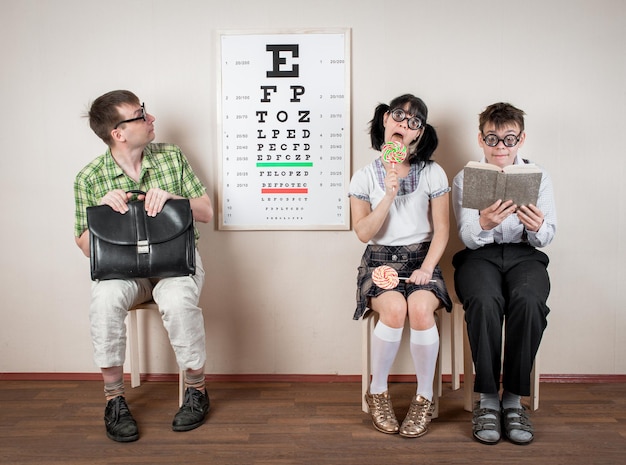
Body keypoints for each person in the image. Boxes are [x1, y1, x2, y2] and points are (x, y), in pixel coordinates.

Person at [74, 90, 214, 442]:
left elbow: (208, 213)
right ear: (118, 133)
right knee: (104, 299)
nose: (150, 119)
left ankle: (196, 390)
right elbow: (85, 247)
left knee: (178, 299)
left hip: (176, 263)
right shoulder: (89, 178)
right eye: (140, 115)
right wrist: (103, 215)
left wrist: (173, 199)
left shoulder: (171, 156)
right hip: (123, 272)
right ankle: (114, 399)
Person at [452, 102, 557, 445]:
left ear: (521, 139)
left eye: (509, 139)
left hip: (524, 255)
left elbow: (548, 235)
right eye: (492, 139)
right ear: (480, 140)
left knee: (528, 300)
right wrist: (484, 222)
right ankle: (487, 399)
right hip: (479, 256)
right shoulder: (466, 178)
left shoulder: (538, 176)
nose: (501, 147)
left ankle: (512, 399)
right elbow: (467, 235)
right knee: (483, 300)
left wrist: (538, 226)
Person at [349, 94, 452, 438]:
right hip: (379, 260)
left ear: (418, 136)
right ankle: (378, 391)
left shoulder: (432, 172)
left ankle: (423, 398)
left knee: (421, 309)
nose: (404, 125)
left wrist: (427, 268)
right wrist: (388, 195)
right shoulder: (364, 177)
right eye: (398, 116)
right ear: (384, 121)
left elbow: (442, 230)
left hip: (423, 259)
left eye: (414, 122)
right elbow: (363, 232)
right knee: (393, 310)